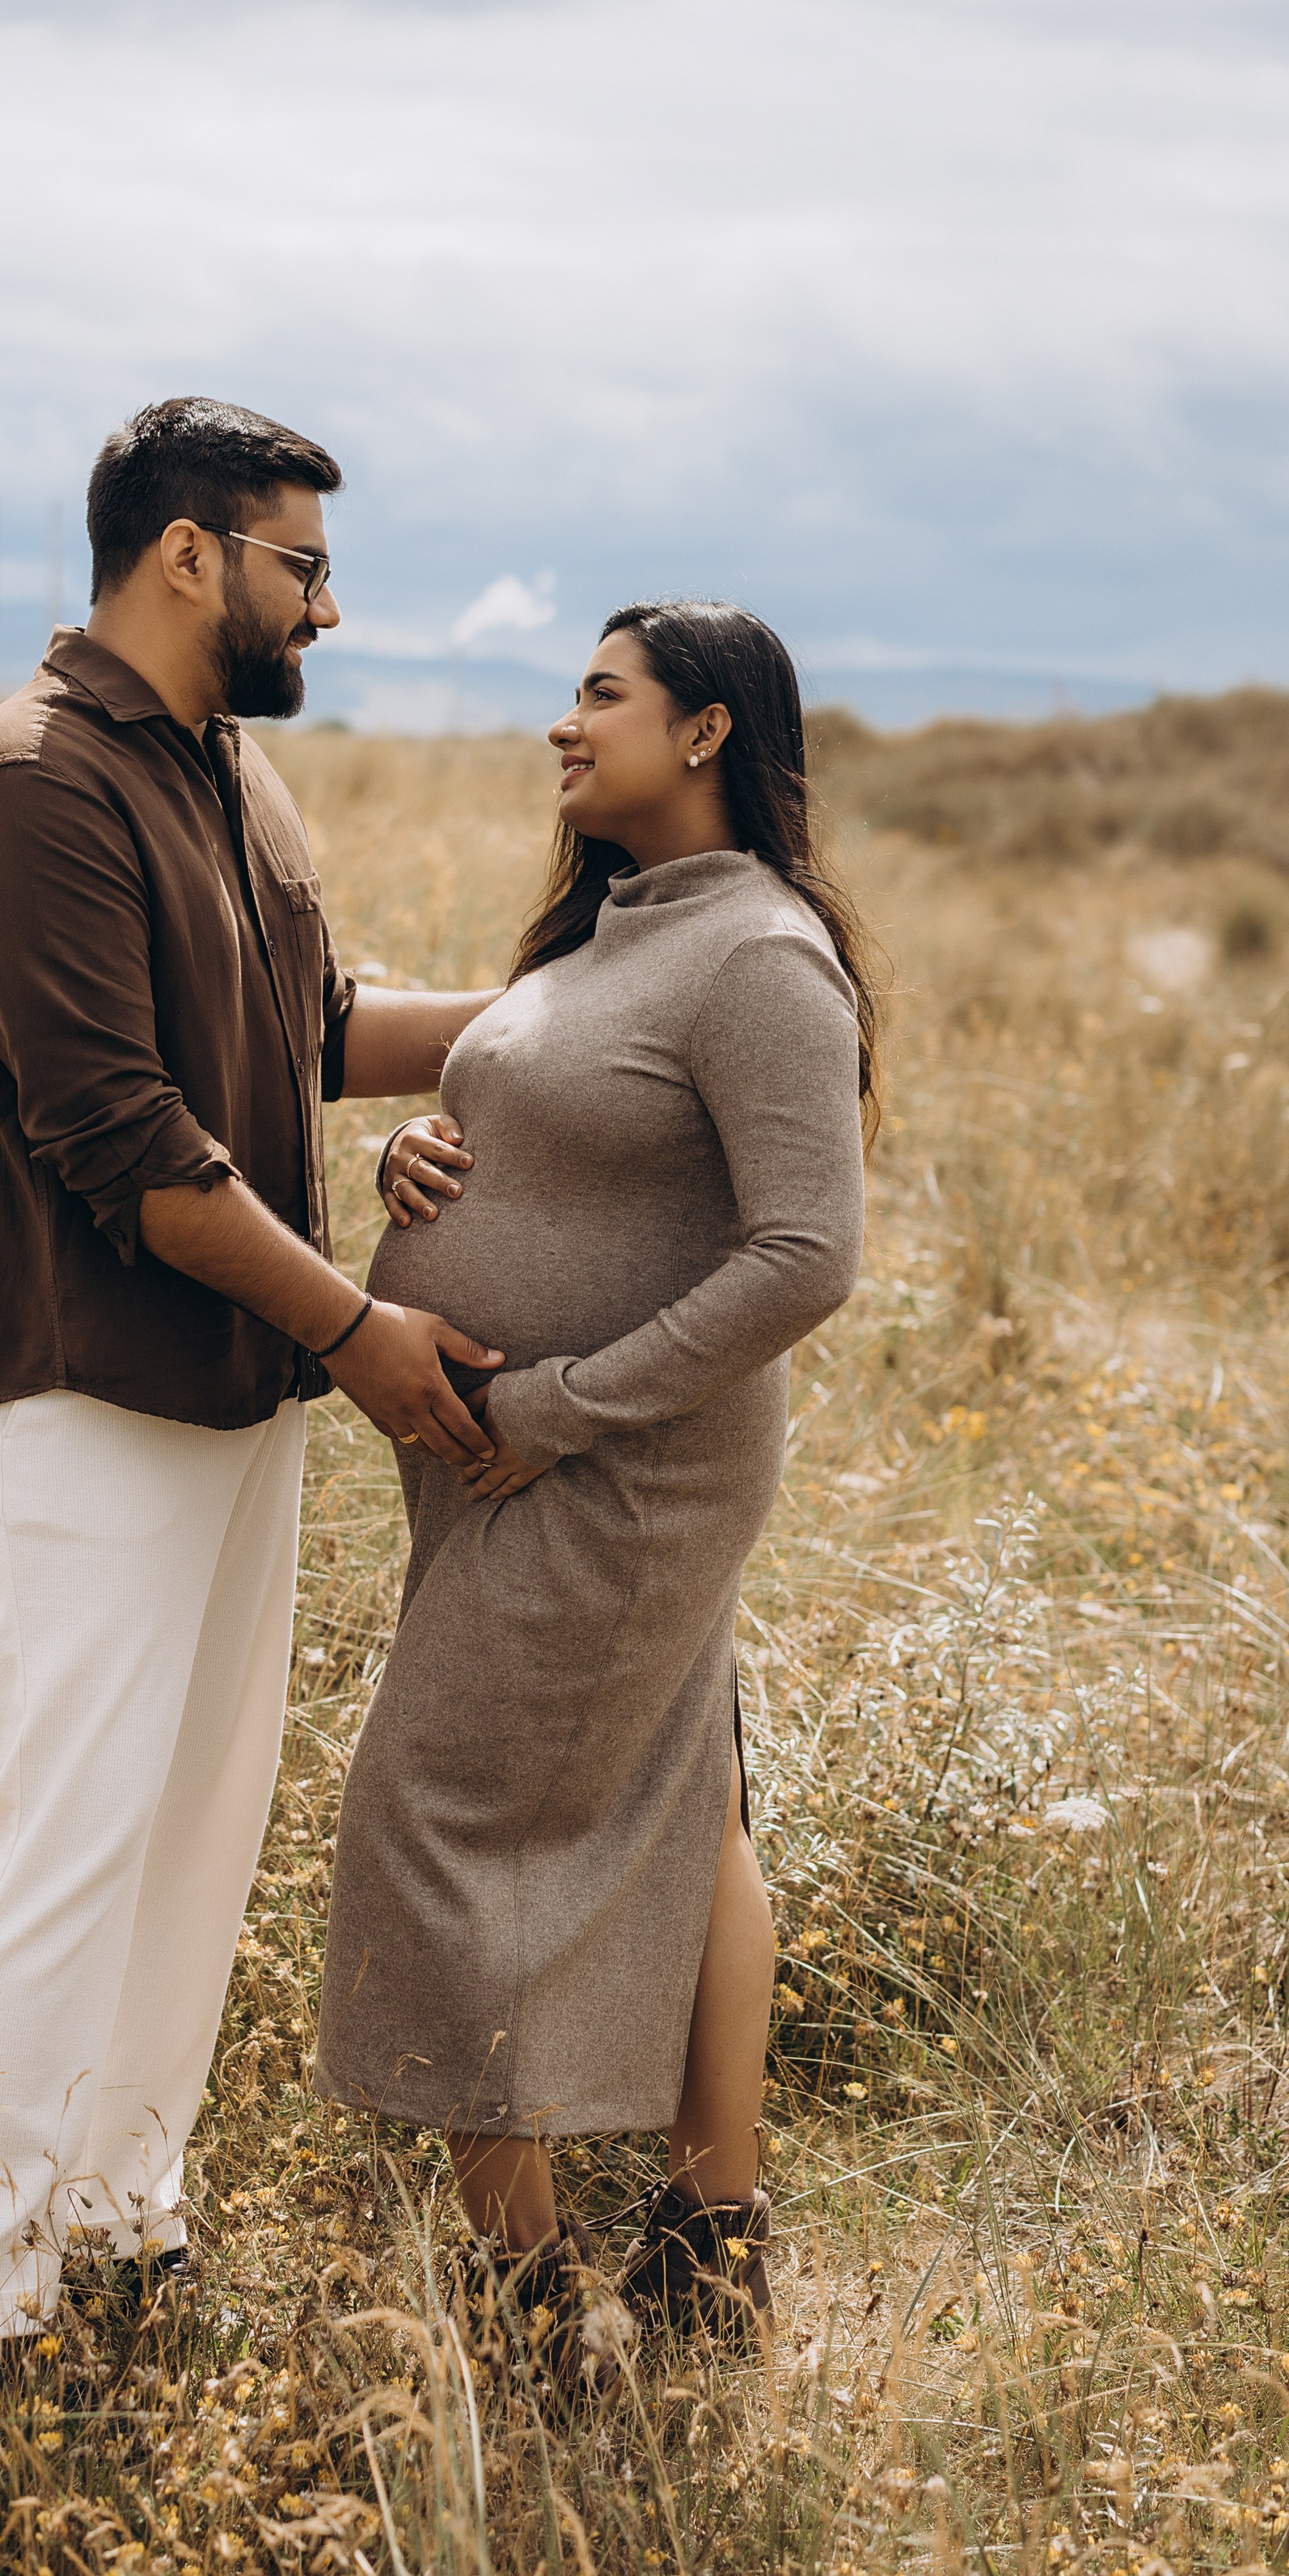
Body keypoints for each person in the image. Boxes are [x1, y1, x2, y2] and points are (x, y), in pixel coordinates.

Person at [0, 397, 504, 2362]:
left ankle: (123, 2221)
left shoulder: (236, 778)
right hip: (75, 1392)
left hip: (234, 1397)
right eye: (300, 567)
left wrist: (577, 1016)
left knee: (193, 1830)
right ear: (184, 553)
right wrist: (358, 1330)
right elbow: (132, 1144)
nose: (326, 609)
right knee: (70, 1830)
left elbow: (311, 1032)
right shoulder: (28, 789)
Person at [312, 599, 877, 2353]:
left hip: (610, 1476)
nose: (565, 726)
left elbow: (806, 1255)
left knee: (436, 1824)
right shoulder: (618, 932)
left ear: (703, 732)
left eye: (599, 696)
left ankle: (524, 2300)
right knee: (684, 1814)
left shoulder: (760, 960)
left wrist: (559, 1406)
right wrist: (422, 1150)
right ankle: (710, 2250)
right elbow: (549, 1119)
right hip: (531, 1469)